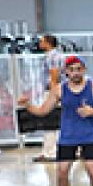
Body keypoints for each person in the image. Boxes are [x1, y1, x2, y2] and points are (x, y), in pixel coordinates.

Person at [19, 56, 93, 186]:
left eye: (78, 69)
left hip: (89, 136)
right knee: (62, 172)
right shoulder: (59, 90)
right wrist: (27, 105)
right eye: (71, 70)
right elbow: (43, 110)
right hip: (67, 137)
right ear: (66, 72)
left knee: (92, 171)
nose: (75, 73)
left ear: (84, 69)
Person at [35, 34, 64, 163]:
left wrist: (54, 94)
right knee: (56, 121)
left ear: (48, 43)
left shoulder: (53, 57)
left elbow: (54, 76)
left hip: (53, 91)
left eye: (42, 41)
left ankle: (50, 152)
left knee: (50, 122)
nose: (40, 43)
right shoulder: (54, 56)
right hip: (55, 90)